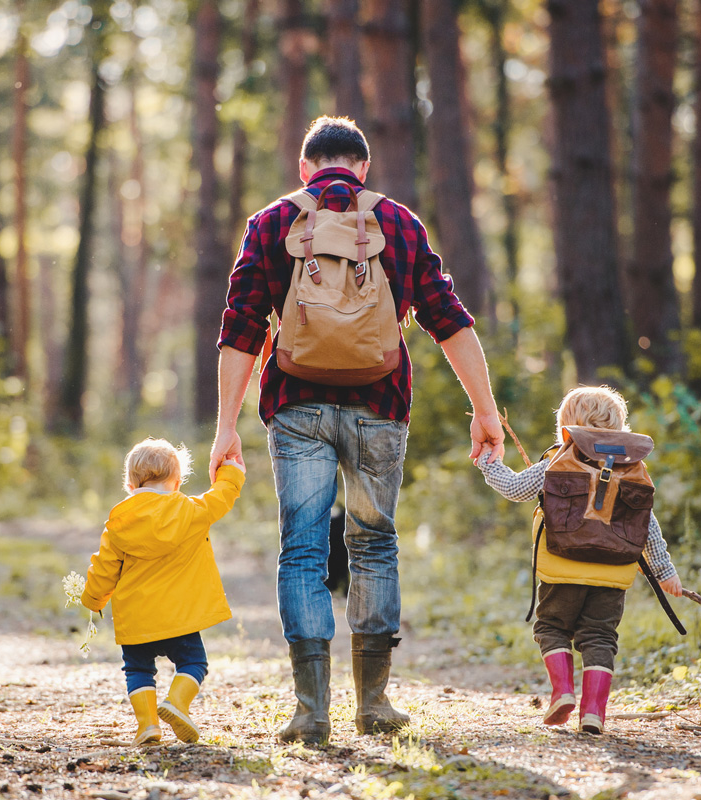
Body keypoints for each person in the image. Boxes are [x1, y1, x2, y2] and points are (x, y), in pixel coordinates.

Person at [210, 115, 505, 743]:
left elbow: (241, 328)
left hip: (296, 408)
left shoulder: (271, 223)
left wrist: (224, 428)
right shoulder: (398, 222)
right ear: (363, 169)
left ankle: (310, 710)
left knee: (303, 548)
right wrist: (484, 410)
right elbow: (448, 319)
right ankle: (374, 704)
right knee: (373, 544)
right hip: (380, 407)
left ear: (304, 168)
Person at [475, 386, 683, 735]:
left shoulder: (557, 460)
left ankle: (563, 692)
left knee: (551, 628)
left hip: (562, 567)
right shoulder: (632, 468)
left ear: (566, 428)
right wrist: (665, 571)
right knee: (600, 637)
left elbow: (513, 489)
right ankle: (593, 714)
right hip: (612, 573)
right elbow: (646, 524)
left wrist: (487, 462)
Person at [80, 438, 246, 745]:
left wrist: (93, 598)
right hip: (179, 618)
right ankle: (177, 704)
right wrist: (232, 472)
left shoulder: (119, 522)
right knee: (194, 663)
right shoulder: (190, 510)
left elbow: (104, 567)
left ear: (129, 484)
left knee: (139, 669)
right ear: (177, 482)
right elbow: (220, 497)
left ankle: (147, 726)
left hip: (137, 618)